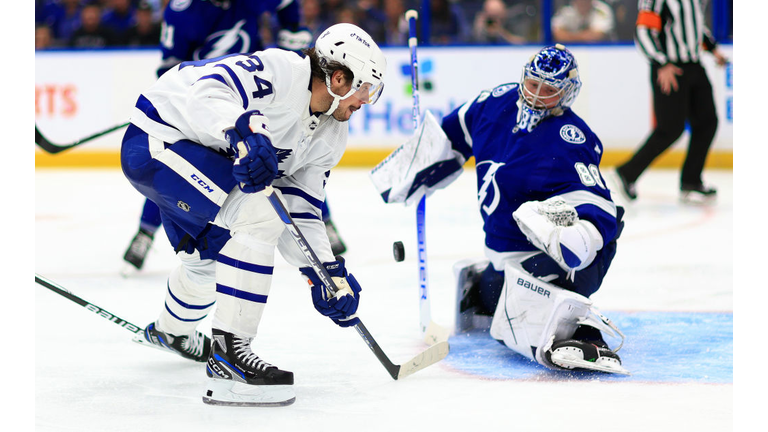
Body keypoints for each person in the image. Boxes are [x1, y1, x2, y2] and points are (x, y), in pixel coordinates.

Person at [121, 23, 387, 406]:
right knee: (260, 215)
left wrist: (325, 273)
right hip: (158, 141)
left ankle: (172, 332)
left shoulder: (331, 133)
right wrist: (239, 130)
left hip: (199, 162)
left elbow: (301, 206)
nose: (366, 100)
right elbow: (209, 90)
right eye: (365, 88)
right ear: (339, 78)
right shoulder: (282, 70)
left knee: (209, 261)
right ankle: (230, 360)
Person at [371, 45, 627, 374]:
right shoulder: (493, 103)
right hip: (500, 262)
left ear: (567, 94)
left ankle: (581, 332)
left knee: (587, 240)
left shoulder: (570, 138)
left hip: (538, 261)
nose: (535, 96)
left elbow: (600, 208)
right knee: (501, 302)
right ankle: (503, 294)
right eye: (532, 84)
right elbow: (451, 134)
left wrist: (583, 237)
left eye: (548, 90)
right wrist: (417, 165)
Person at [122, 0, 322, 275]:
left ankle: (324, 219)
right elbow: (170, 65)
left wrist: (292, 26)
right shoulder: (183, 11)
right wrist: (179, 98)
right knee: (177, 165)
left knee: (293, 151)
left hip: (256, 93)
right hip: (209, 102)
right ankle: (146, 231)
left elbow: (286, 3)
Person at [613, 0, 728, 204]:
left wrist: (713, 49)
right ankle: (627, 173)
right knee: (670, 129)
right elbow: (644, 32)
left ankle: (691, 181)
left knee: (707, 122)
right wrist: (661, 63)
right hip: (670, 69)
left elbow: (694, 26)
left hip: (694, 65)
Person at [551, 0, 616, 43]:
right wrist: (582, 36)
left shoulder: (602, 9)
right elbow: (557, 33)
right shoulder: (567, 9)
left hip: (602, 52)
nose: (582, 1)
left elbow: (595, 36)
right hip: (572, 51)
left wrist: (569, 36)